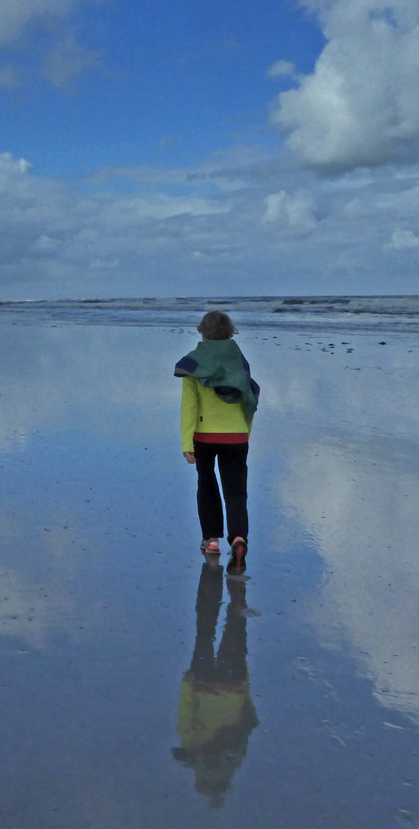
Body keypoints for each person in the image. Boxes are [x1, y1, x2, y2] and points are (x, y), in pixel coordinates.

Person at [175, 311, 259, 569]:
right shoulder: (239, 362)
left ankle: (212, 540)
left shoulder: (193, 364)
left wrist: (186, 443)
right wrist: (247, 433)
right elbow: (250, 398)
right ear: (231, 332)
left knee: (207, 485)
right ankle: (238, 538)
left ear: (202, 331)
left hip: (204, 435)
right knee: (236, 491)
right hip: (236, 435)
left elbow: (189, 406)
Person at [172, 557, 258, 806]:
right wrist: (188, 685)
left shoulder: (235, 756)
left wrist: (245, 681)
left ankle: (236, 607)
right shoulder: (196, 751)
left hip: (234, 686)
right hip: (205, 684)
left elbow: (247, 717)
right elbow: (186, 716)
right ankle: (217, 598)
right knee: (205, 632)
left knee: (234, 634)